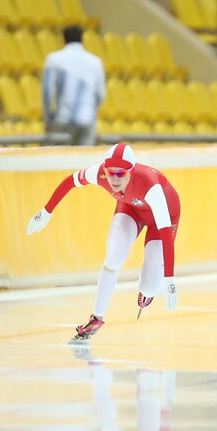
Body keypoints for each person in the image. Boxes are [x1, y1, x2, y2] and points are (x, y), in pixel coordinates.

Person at [26, 143, 180, 341]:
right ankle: (96, 318)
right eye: (111, 173)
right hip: (130, 209)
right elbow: (71, 181)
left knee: (150, 285)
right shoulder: (98, 173)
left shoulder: (151, 187)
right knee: (114, 256)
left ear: (131, 172)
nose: (115, 179)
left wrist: (169, 279)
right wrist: (46, 212)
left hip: (165, 217)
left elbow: (166, 233)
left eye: (121, 174)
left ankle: (148, 289)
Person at [41, 25, 107, 146]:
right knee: (84, 161)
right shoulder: (95, 61)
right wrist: (90, 110)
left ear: (64, 39)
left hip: (62, 118)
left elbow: (47, 91)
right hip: (87, 118)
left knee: (60, 161)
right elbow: (100, 94)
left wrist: (47, 118)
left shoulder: (54, 59)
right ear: (82, 39)